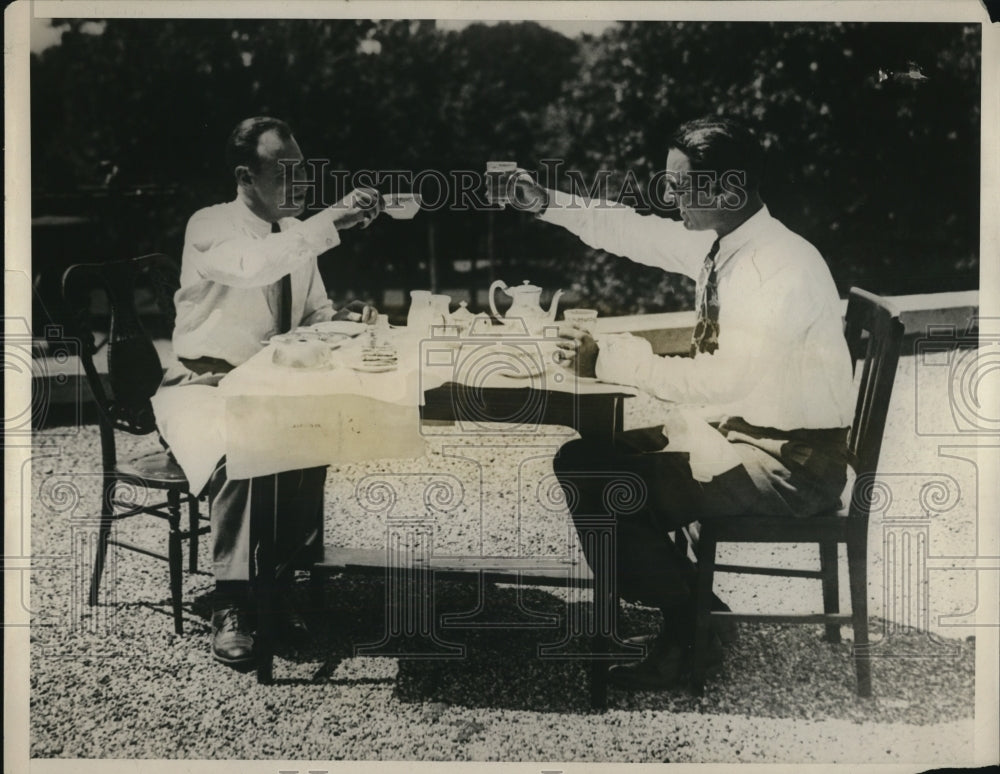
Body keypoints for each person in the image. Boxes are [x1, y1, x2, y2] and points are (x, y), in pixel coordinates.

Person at [511, 116, 855, 690]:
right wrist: (545, 201)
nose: (668, 198)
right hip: (746, 437)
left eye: (680, 186)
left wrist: (608, 360)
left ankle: (689, 631)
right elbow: (633, 231)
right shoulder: (730, 244)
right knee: (584, 458)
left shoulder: (776, 268)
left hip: (793, 466)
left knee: (605, 489)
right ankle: (699, 610)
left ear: (727, 189)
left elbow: (723, 381)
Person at [151, 116, 386, 667]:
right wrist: (331, 221)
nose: (300, 182)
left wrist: (346, 317)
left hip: (273, 384)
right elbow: (251, 269)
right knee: (244, 443)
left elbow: (315, 313)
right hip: (204, 384)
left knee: (314, 435)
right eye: (285, 172)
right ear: (244, 177)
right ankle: (231, 601)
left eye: (303, 169)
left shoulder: (295, 234)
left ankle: (279, 586)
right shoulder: (210, 225)